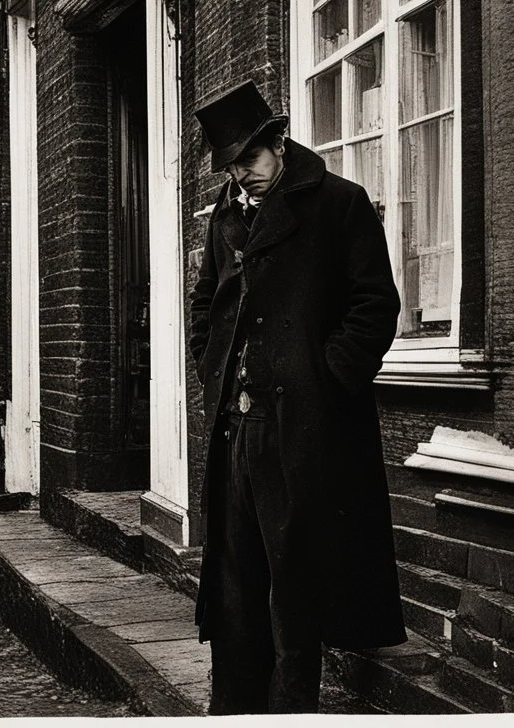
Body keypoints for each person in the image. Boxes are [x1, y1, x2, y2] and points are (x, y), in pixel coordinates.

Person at [188, 79, 406, 714]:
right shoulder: (226, 221)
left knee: (295, 589)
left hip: (303, 430)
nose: (242, 176)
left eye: (250, 160)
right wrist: (213, 369)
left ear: (278, 144)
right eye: (231, 166)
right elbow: (209, 303)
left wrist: (326, 380)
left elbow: (375, 306)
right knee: (234, 585)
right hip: (238, 427)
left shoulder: (338, 204)